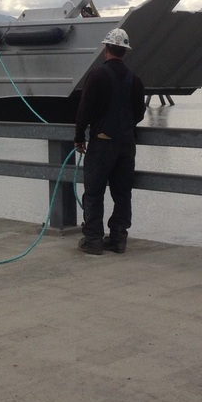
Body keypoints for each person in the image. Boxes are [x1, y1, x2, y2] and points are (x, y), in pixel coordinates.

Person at [73, 28, 146, 255]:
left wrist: (79, 137)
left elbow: (84, 110)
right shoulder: (135, 80)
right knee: (122, 193)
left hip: (102, 143)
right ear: (124, 51)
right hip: (126, 145)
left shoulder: (96, 76)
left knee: (94, 193)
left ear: (106, 49)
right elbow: (139, 113)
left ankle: (93, 241)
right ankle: (118, 240)